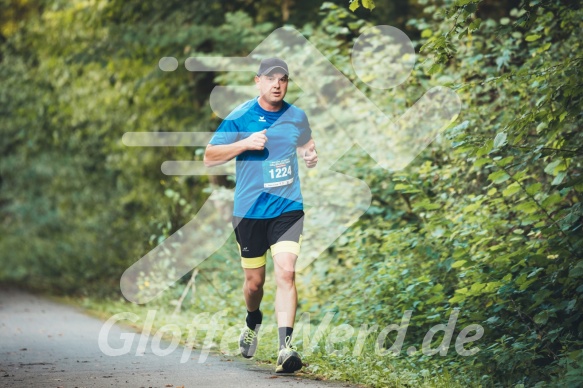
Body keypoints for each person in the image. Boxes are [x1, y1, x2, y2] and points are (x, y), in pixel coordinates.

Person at [203, 57, 318, 373]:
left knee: (286, 272)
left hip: (287, 208)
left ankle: (285, 348)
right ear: (258, 81)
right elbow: (209, 157)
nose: (277, 84)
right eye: (270, 79)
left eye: (282, 79)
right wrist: (243, 144)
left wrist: (309, 152)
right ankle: (252, 320)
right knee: (254, 285)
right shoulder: (240, 117)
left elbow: (306, 140)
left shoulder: (296, 116)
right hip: (249, 213)